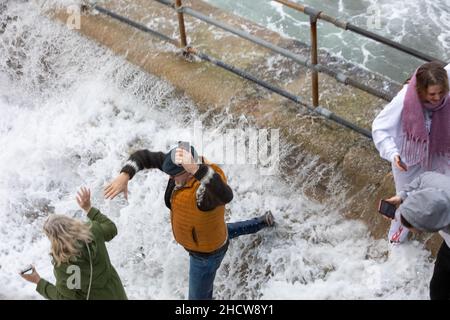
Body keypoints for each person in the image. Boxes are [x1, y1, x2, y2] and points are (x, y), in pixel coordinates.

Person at [104, 143, 275, 300]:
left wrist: (196, 169)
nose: (171, 178)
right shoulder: (178, 169)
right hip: (209, 231)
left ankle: (260, 223)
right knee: (225, 230)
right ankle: (262, 222)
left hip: (205, 255)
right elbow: (144, 157)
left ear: (189, 169)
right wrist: (125, 175)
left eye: (175, 176)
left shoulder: (204, 194)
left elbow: (226, 195)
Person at [372, 61, 450, 244]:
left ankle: (446, 239)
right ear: (421, 90)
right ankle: (396, 240)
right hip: (409, 160)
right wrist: (393, 154)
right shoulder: (404, 99)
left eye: (441, 92)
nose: (438, 98)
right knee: (406, 202)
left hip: (440, 152)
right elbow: (379, 127)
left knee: (444, 194)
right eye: (432, 94)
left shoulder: (444, 80)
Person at [20, 187, 127, 300]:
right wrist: (89, 209)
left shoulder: (62, 263)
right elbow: (112, 229)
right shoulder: (93, 230)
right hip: (117, 293)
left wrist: (39, 282)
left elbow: (64, 298)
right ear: (69, 222)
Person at [384, 171, 450, 300]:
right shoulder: (434, 182)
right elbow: (421, 179)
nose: (418, 233)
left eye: (418, 230)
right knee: (438, 288)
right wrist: (402, 196)